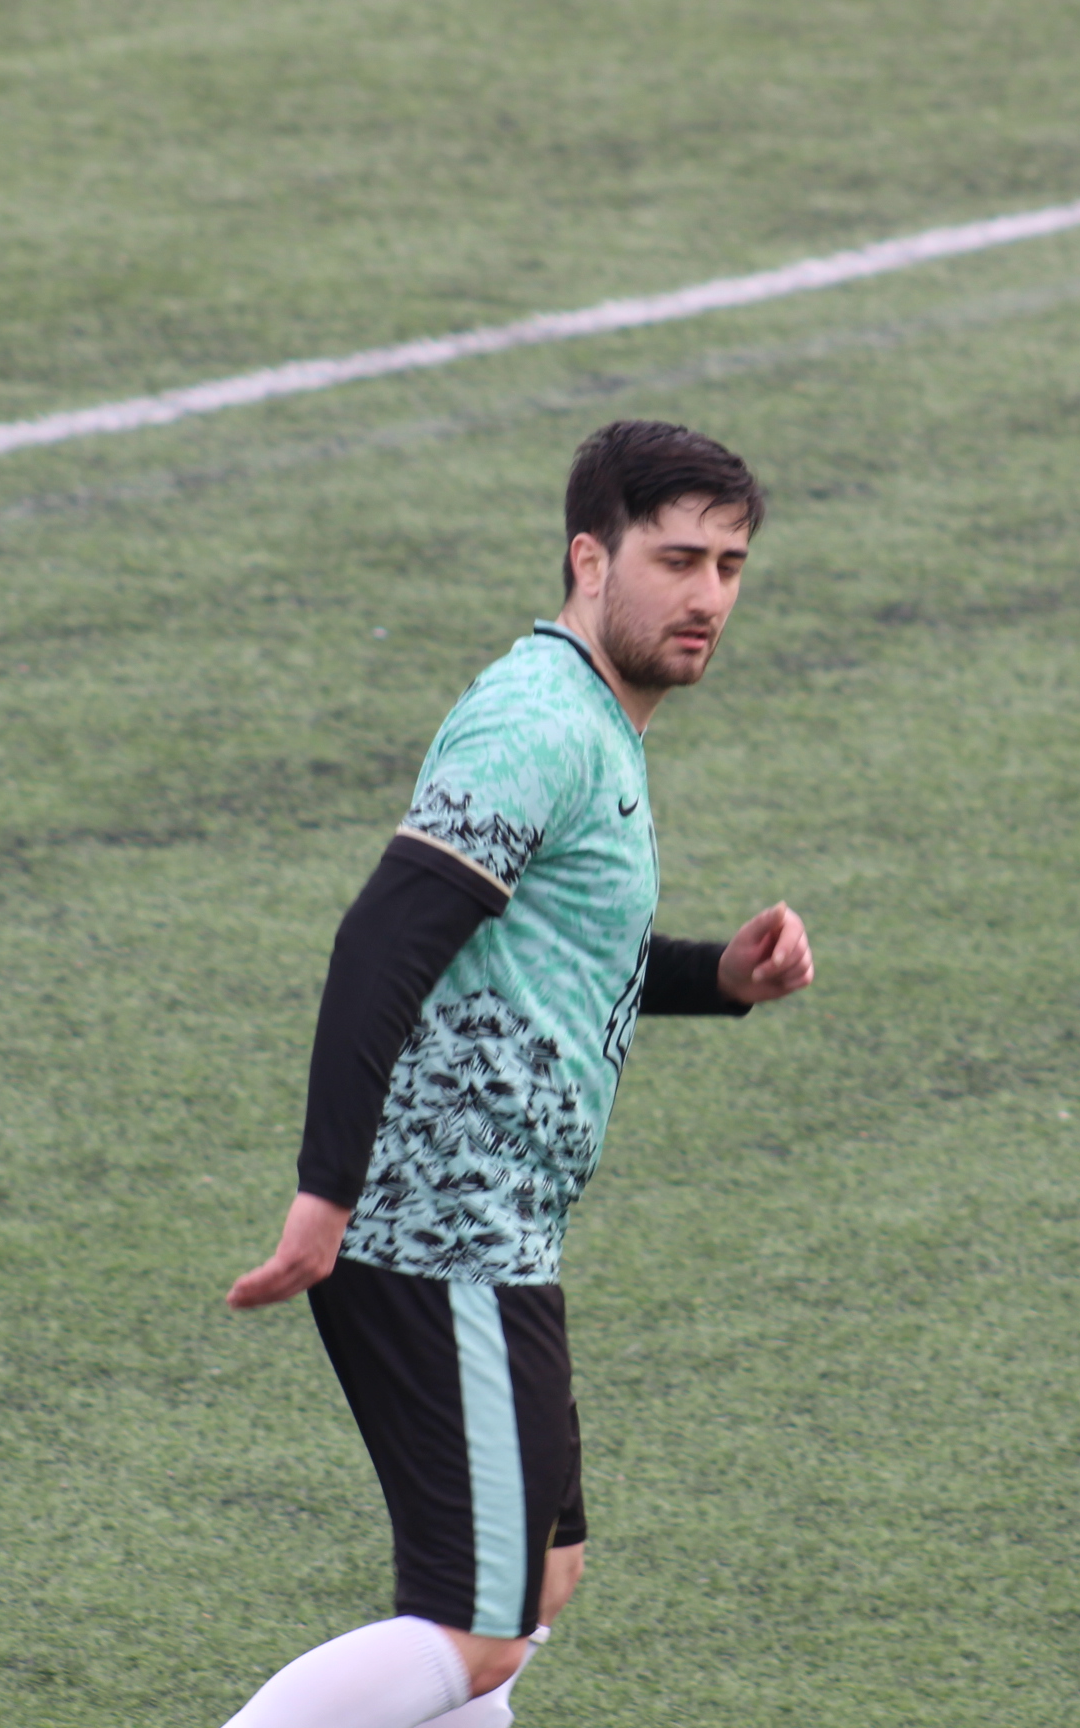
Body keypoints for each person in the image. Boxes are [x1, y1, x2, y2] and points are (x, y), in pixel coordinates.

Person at [220, 420, 814, 1728]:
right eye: (677, 561)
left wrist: (721, 976)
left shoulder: (595, 722)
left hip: (497, 1232)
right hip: (439, 1228)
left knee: (538, 1580)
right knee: (480, 1628)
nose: (709, 596)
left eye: (728, 566)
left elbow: (557, 953)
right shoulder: (538, 722)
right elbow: (383, 940)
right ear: (590, 560)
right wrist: (326, 1195)